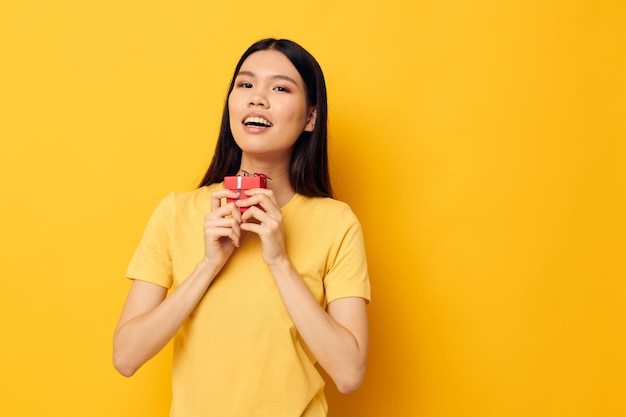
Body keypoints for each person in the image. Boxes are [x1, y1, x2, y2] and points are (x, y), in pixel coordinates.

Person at [113, 38, 371, 417]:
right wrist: (207, 266)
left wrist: (280, 260)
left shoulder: (336, 223)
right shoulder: (176, 212)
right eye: (245, 85)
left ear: (311, 118)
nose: (257, 98)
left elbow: (349, 373)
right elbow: (126, 356)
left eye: (280, 88)